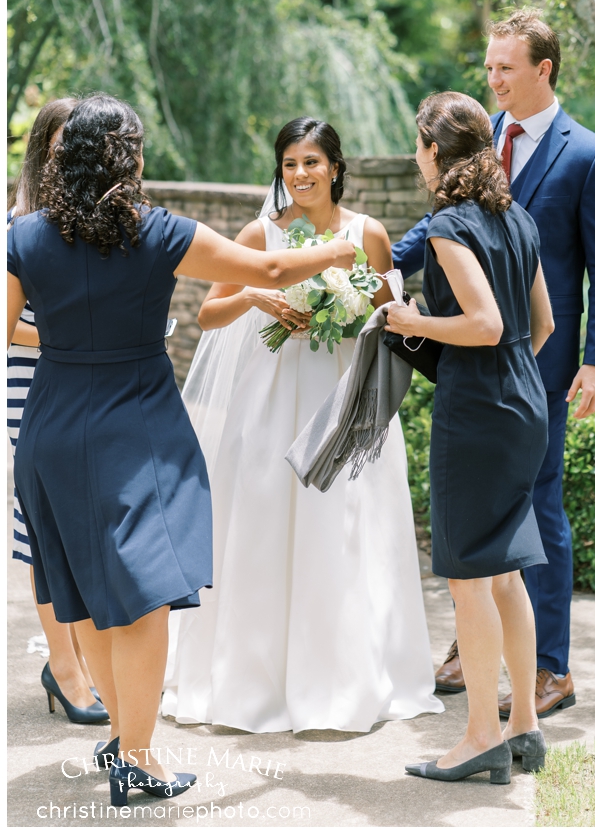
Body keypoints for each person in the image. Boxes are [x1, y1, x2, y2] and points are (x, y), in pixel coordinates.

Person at [7, 93, 363, 804]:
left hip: (51, 427)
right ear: (126, 157)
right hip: (136, 425)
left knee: (91, 593)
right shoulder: (158, 231)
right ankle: (136, 755)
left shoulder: (23, 238)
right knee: (147, 595)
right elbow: (264, 272)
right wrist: (343, 249)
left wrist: (73, 347)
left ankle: (124, 744)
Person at [162, 118, 443, 734]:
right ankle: (253, 676)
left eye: (312, 162)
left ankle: (343, 675)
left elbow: (386, 316)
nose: (300, 174)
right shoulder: (260, 231)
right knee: (264, 522)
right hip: (268, 396)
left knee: (344, 527)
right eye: (289, 163)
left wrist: (344, 312)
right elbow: (209, 314)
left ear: (336, 167)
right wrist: (258, 298)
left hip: (342, 395)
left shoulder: (367, 233)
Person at [392, 10, 595, 720]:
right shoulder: (477, 139)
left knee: (539, 510)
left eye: (505, 68)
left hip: (539, 365)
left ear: (542, 69)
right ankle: (476, 649)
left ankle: (551, 667)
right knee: (494, 522)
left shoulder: (588, 153)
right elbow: (438, 232)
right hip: (489, 368)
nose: (492, 79)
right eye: (489, 67)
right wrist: (363, 258)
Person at [385, 91, 555, 781]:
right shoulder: (518, 219)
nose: (414, 157)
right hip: (525, 403)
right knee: (505, 574)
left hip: (478, 409)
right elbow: (539, 327)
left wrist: (411, 322)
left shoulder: (448, 227)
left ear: (435, 151)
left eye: (417, 145)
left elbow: (482, 324)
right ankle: (524, 726)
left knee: (468, 582)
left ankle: (481, 734)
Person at [8, 96, 109, 729]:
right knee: (42, 529)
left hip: (93, 385)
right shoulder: (14, 228)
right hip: (31, 384)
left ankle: (84, 657)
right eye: (62, 143)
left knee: (88, 524)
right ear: (45, 149)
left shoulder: (97, 220)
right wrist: (76, 338)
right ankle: (64, 666)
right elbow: (9, 326)